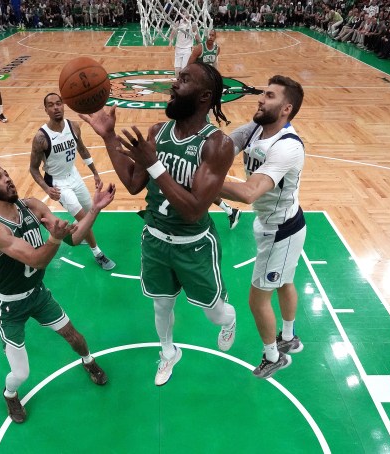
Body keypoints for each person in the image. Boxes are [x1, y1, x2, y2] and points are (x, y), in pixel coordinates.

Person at [80, 62, 237, 386]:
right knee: (161, 306)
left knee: (214, 313)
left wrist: (154, 164)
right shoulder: (156, 132)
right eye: (176, 78)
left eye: (184, 79)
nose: (173, 84)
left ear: (205, 96)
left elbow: (195, 209)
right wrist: (109, 136)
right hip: (155, 239)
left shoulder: (217, 144)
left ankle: (229, 319)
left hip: (193, 245)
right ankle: (168, 353)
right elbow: (134, 183)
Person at [0, 162, 115, 423]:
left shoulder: (31, 207)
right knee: (21, 373)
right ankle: (10, 394)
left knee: (75, 337)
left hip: (37, 294)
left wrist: (93, 210)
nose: (7, 178)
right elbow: (37, 260)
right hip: (9, 306)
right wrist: (54, 238)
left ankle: (88, 361)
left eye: (6, 173)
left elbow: (73, 239)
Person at [219, 75, 306, 379]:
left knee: (257, 299)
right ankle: (288, 337)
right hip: (281, 223)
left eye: (270, 96)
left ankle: (273, 356)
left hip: (281, 231)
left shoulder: (287, 147)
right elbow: (223, 148)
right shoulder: (255, 128)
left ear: (286, 108)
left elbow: (248, 193)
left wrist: (204, 182)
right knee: (284, 282)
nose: (260, 99)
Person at [30, 93, 116, 270]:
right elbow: (33, 169)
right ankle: (98, 253)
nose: (56, 108)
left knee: (87, 211)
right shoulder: (41, 137)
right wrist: (46, 189)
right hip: (58, 184)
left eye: (59, 103)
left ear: (63, 105)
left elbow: (82, 149)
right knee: (86, 216)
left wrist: (95, 173)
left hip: (74, 176)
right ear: (46, 110)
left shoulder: (74, 126)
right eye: (51, 105)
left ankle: (78, 232)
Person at [187, 28, 240, 229]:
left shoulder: (201, 112)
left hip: (201, 151)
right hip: (199, 146)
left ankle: (227, 210)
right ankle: (229, 210)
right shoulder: (199, 49)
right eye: (208, 34)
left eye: (212, 35)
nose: (210, 37)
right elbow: (189, 66)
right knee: (196, 185)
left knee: (198, 186)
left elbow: (215, 66)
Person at [170, 11, 200, 79]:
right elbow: (173, 32)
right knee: (177, 70)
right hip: (178, 48)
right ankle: (177, 83)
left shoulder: (192, 24)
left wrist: (199, 45)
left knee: (184, 69)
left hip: (187, 49)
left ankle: (185, 84)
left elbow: (197, 36)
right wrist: (171, 40)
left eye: (187, 13)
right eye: (184, 13)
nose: (185, 15)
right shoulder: (178, 22)